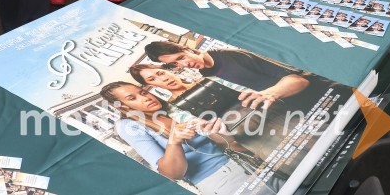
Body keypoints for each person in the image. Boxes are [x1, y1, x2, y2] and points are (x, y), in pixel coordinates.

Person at [100, 82, 272, 194]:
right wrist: (174, 142)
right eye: (132, 98)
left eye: (143, 92)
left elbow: (225, 143)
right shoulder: (128, 126)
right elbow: (170, 173)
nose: (146, 97)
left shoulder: (172, 110)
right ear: (122, 106)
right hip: (222, 181)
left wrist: (215, 130)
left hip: (247, 163)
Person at [144, 41, 319, 110]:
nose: (184, 64)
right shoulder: (206, 75)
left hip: (319, 97)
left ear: (188, 48)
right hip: (295, 112)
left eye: (181, 57)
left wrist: (268, 93)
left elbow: (299, 79)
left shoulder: (231, 54)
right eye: (175, 64)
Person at [129, 63, 194, 102]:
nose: (164, 79)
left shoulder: (203, 81)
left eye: (162, 73)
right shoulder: (175, 108)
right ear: (151, 85)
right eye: (152, 79)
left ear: (168, 71)